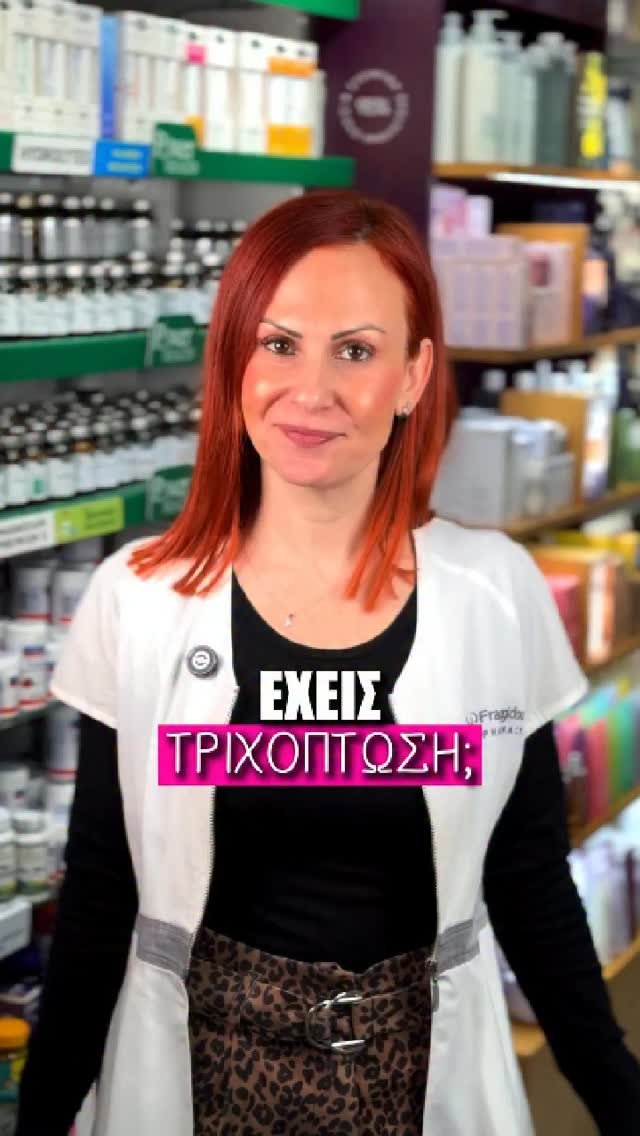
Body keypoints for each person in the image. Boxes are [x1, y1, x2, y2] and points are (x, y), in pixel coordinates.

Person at [16, 190, 640, 1136]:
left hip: (417, 1080)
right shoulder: (137, 598)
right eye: (278, 343)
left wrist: (619, 1097)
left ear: (413, 374)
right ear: (233, 359)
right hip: (196, 1080)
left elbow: (529, 878)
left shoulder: (495, 594)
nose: (310, 391)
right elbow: (103, 890)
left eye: (355, 351)